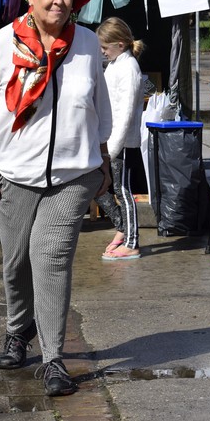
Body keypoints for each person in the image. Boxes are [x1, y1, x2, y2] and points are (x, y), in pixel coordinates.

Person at [0, 0, 112, 396]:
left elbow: (99, 106)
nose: (59, 0)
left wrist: (104, 159)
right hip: (13, 171)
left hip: (74, 173)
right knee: (16, 262)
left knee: (50, 257)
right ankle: (17, 328)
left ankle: (53, 360)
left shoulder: (87, 43)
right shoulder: (2, 43)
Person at [95, 17, 145, 261]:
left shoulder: (129, 68)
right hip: (111, 140)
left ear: (120, 45)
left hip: (120, 142)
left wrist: (111, 150)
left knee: (123, 190)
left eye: (105, 47)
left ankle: (132, 241)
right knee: (104, 186)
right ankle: (122, 228)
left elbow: (125, 113)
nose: (102, 51)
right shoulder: (115, 64)